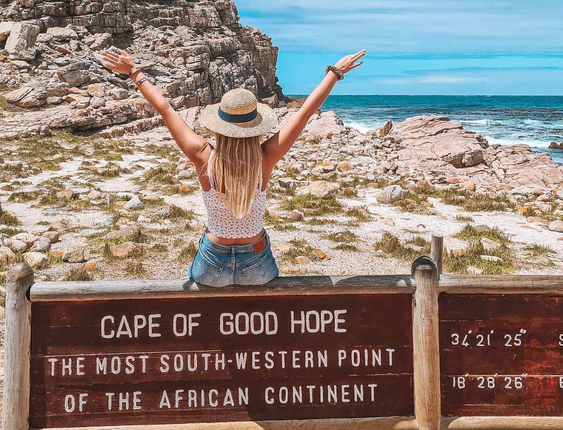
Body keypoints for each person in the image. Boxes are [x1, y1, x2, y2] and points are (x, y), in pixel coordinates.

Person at [100, 47, 366, 286]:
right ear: (255, 125)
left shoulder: (203, 156)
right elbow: (305, 112)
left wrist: (135, 72)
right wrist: (335, 73)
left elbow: (166, 110)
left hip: (211, 262)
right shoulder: (265, 157)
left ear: (219, 124)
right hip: (257, 261)